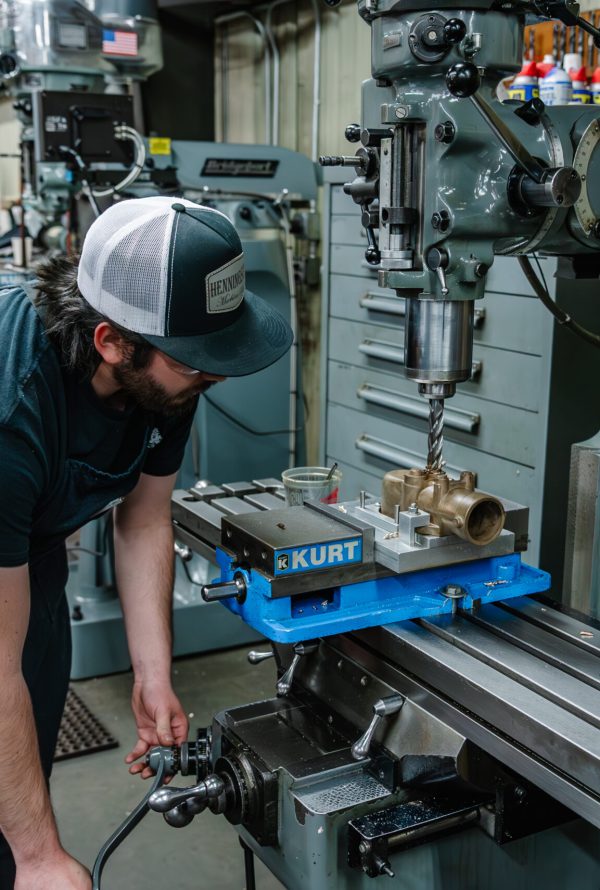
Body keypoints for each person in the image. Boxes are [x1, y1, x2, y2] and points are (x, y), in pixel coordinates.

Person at [0, 196, 293, 889]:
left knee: (19, 766)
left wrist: (152, 674)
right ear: (111, 341)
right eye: (196, 362)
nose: (213, 374)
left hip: (27, 554)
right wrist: (40, 856)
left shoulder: (165, 380)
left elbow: (143, 517)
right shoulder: (13, 412)